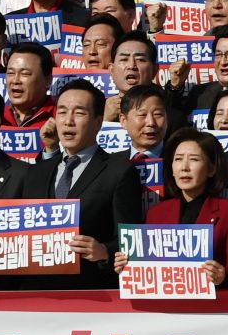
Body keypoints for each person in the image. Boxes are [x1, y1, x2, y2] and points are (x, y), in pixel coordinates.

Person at [16, 80, 145, 289]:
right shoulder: (35, 172)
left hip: (89, 291)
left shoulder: (119, 172)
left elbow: (130, 240)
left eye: (79, 113)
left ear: (98, 122)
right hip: (36, 292)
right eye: (62, 112)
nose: (68, 121)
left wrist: (103, 251)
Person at [122, 128, 228, 289]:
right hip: (166, 302)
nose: (184, 167)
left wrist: (223, 277)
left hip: (216, 303)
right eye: (178, 159)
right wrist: (128, 265)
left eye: (194, 159)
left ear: (211, 169)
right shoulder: (156, 214)